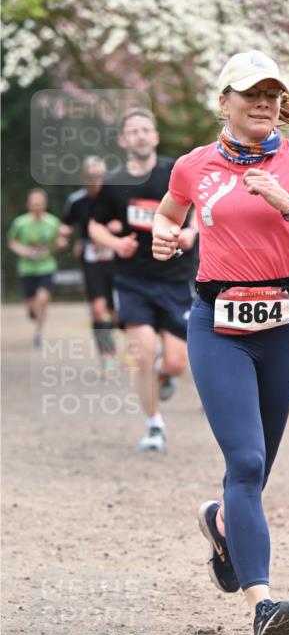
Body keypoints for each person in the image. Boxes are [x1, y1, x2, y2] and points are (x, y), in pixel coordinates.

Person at [152, 50, 289, 635]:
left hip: (282, 325)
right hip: (217, 324)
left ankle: (224, 525)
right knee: (246, 458)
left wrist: (285, 203)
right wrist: (164, 234)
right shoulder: (193, 165)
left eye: (272, 94)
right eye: (250, 93)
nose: (263, 102)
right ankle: (263, 606)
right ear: (225, 101)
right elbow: (169, 213)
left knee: (255, 476)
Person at [88, 108, 198, 452]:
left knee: (177, 364)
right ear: (123, 140)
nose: (139, 135)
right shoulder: (114, 183)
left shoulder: (174, 173)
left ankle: (164, 375)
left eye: (145, 130)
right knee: (143, 352)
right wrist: (115, 243)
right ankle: (154, 425)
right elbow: (93, 226)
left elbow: (198, 211)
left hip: (176, 277)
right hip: (133, 279)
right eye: (132, 131)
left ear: (155, 136)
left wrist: (190, 233)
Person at [61, 156, 119, 371]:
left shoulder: (115, 197)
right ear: (84, 178)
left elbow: (129, 222)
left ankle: (115, 339)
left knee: (116, 313)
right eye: (92, 176)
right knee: (97, 309)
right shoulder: (76, 201)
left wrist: (118, 226)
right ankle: (106, 355)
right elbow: (65, 224)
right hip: (92, 259)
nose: (97, 180)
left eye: (101, 176)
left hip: (116, 258)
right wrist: (64, 235)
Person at [7, 188, 66, 347]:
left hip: (46, 267)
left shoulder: (53, 222)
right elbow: (12, 241)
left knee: (42, 299)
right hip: (27, 269)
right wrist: (22, 250)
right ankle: (33, 312)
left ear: (45, 205)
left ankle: (38, 333)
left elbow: (58, 242)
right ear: (29, 205)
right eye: (34, 204)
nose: (37, 207)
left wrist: (60, 243)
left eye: (40, 204)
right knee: (31, 305)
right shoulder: (20, 223)